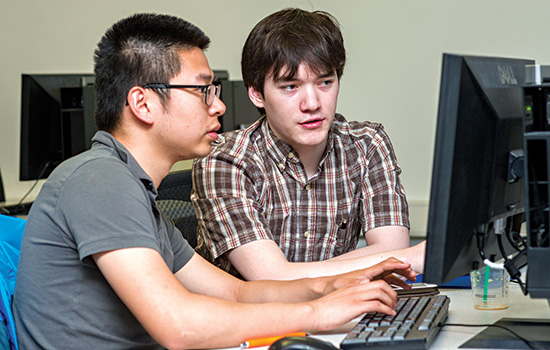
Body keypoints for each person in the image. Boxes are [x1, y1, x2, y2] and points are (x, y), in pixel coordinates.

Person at [12, 13, 416, 350]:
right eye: (203, 91)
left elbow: (236, 293)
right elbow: (178, 324)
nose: (220, 105)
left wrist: (338, 285)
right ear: (143, 103)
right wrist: (317, 312)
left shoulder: (135, 194)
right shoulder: (98, 179)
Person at [192, 8, 425, 281]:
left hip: (340, 314)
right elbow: (272, 278)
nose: (313, 104)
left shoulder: (366, 145)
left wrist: (395, 256)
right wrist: (401, 258)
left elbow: (393, 248)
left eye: (325, 82)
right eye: (291, 87)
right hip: (254, 321)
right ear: (256, 94)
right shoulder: (224, 160)